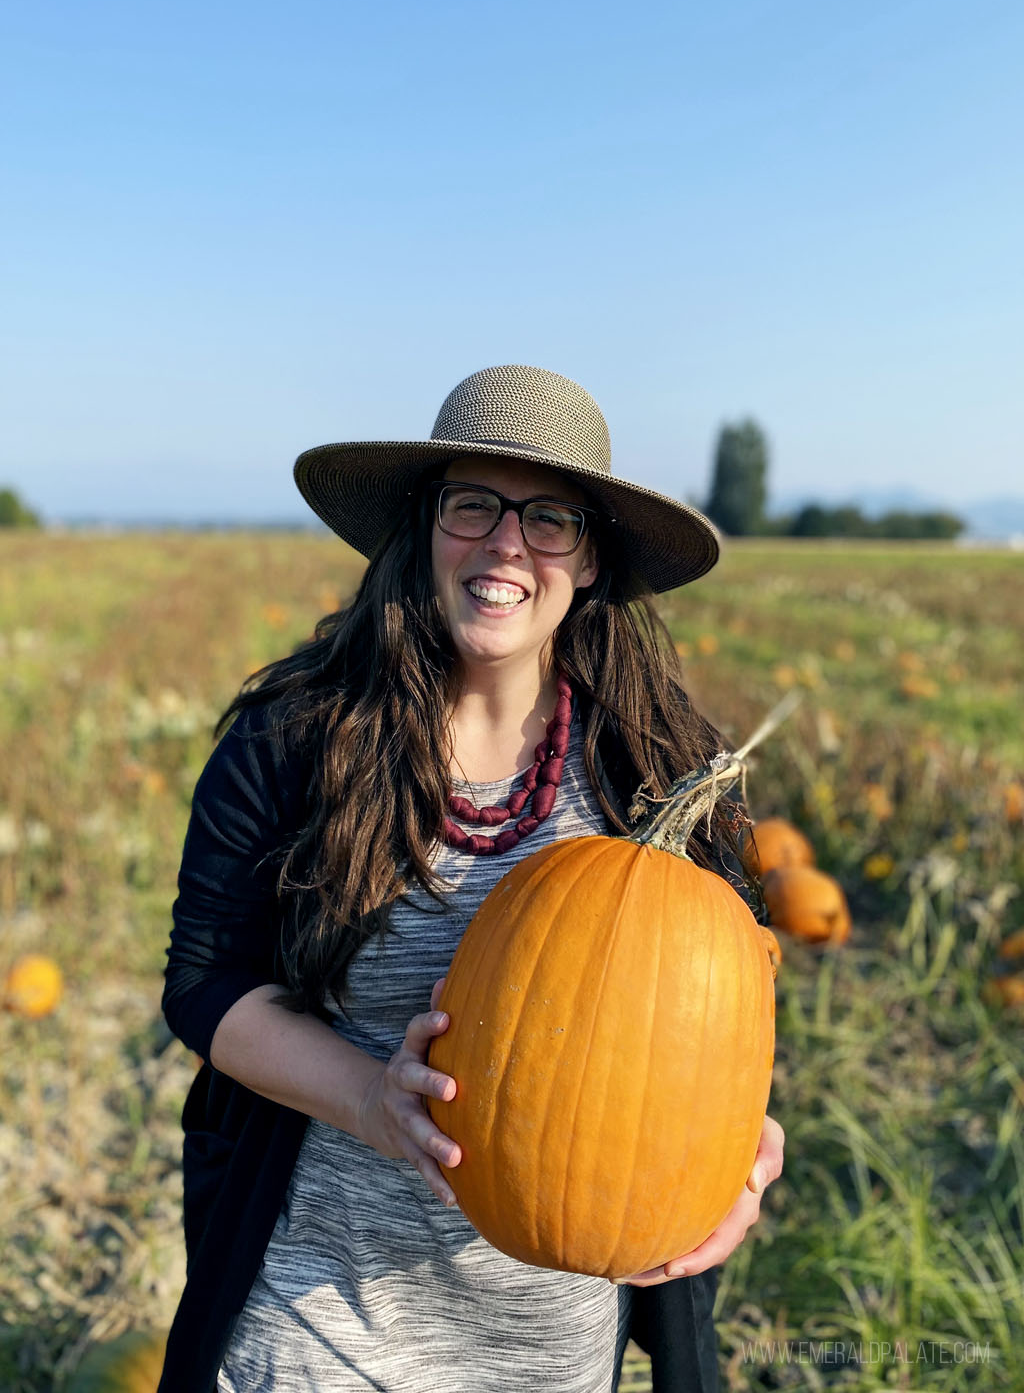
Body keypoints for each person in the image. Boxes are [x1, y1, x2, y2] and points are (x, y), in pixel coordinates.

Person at [159, 364, 784, 1393]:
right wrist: (371, 1097)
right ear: (424, 525)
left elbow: (721, 1016)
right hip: (319, 1320)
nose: (505, 544)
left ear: (589, 561)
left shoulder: (660, 773)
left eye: (548, 520)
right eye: (474, 505)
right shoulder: (293, 743)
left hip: (549, 1343)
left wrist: (741, 1158)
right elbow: (204, 984)